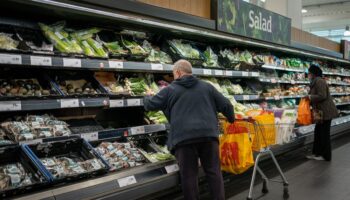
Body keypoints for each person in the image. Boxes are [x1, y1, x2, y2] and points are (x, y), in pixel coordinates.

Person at [144, 59, 234, 200]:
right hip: (208, 136)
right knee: (214, 172)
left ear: (178, 73)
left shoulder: (170, 89)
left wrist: (147, 96)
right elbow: (226, 105)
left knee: (189, 177)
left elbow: (150, 105)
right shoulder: (207, 87)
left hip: (184, 139)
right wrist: (231, 119)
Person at [306, 65, 338, 161]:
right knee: (318, 133)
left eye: (309, 73)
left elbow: (322, 95)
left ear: (313, 73)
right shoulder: (315, 82)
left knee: (324, 134)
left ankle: (326, 156)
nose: (308, 75)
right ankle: (317, 153)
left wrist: (310, 97)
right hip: (319, 112)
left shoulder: (319, 81)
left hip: (325, 112)